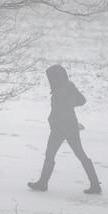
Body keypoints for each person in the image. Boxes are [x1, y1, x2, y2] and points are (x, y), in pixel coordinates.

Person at [27, 64, 102, 194]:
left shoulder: (65, 88)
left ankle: (43, 183)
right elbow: (70, 104)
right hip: (65, 126)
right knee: (75, 155)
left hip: (63, 127)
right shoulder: (63, 87)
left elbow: (80, 101)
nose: (49, 80)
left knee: (54, 154)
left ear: (57, 77)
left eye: (50, 77)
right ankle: (95, 184)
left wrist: (68, 103)